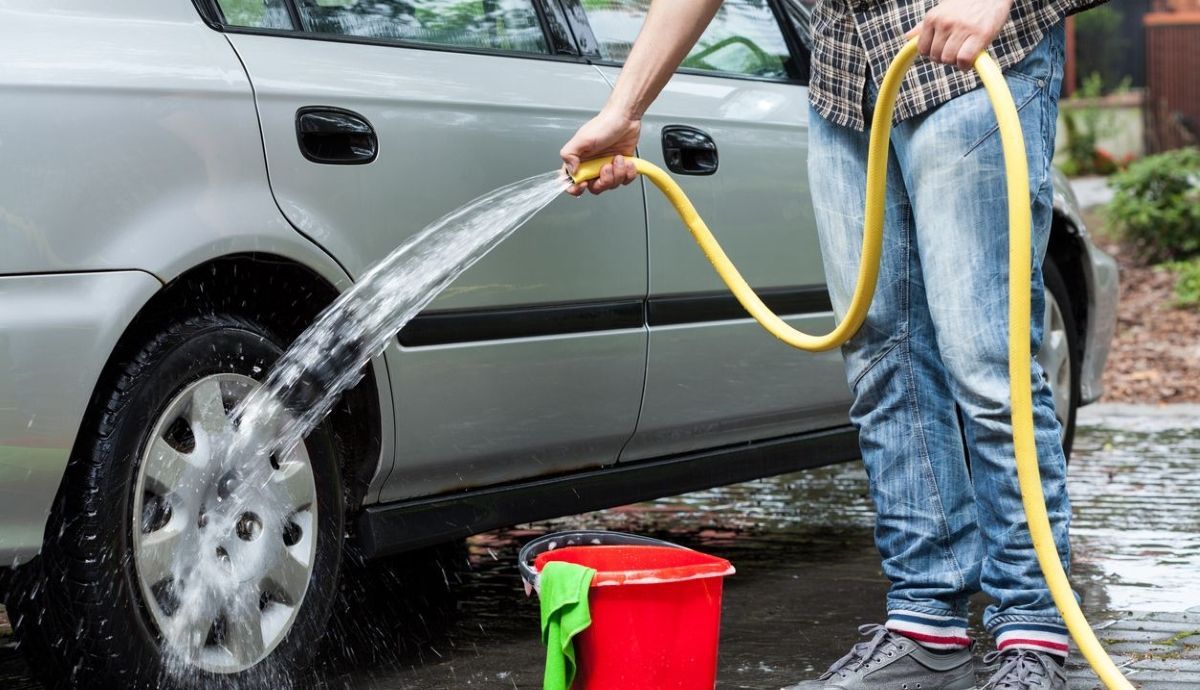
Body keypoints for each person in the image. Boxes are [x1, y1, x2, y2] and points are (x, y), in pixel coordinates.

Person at [559, 0, 1105, 688]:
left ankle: (1031, 628)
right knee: (883, 360)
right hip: (847, 87)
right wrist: (625, 109)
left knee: (986, 364)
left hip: (970, 63)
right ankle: (925, 628)